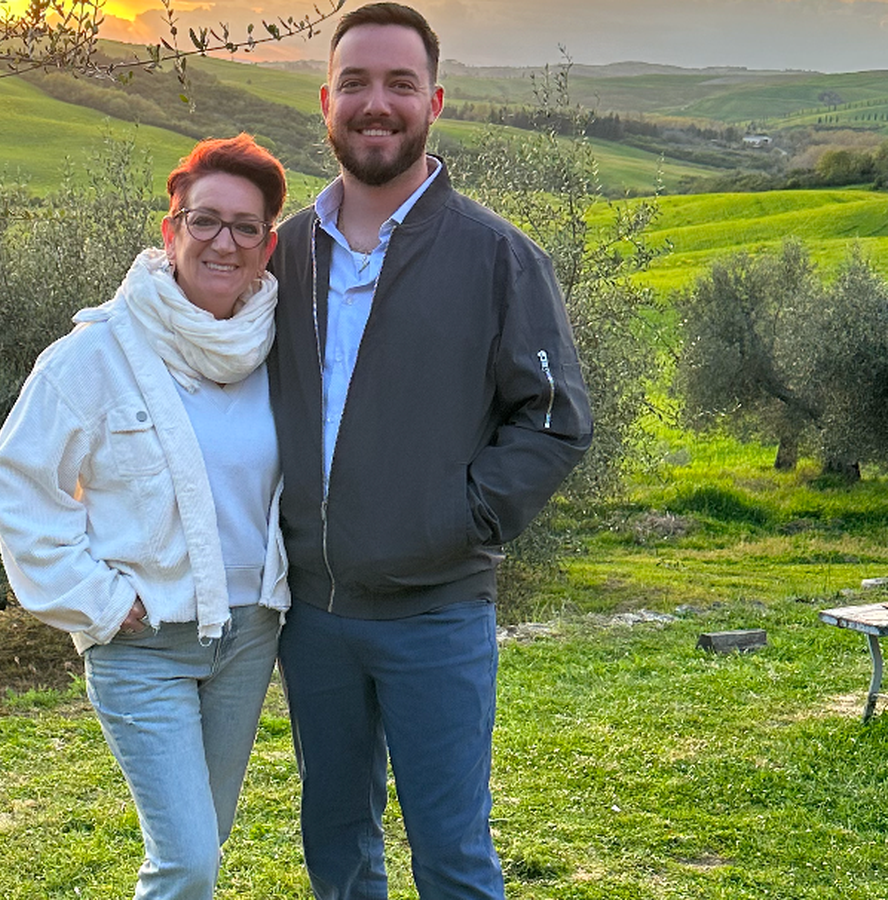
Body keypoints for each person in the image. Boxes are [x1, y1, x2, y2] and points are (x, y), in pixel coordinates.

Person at [268, 4, 594, 899]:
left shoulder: (499, 257)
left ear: (434, 102)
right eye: (356, 83)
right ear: (326, 101)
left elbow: (557, 418)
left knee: (451, 859)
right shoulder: (284, 253)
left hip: (437, 613)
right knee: (337, 849)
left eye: (400, 84)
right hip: (312, 616)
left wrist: (459, 518)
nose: (377, 103)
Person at [0, 134, 289, 900]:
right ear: (171, 229)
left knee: (206, 838)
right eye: (204, 220)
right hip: (144, 643)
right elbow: (18, 486)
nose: (223, 242)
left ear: (267, 246)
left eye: (245, 227)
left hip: (250, 634)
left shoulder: (278, 348)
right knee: (188, 862)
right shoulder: (95, 354)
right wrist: (98, 599)